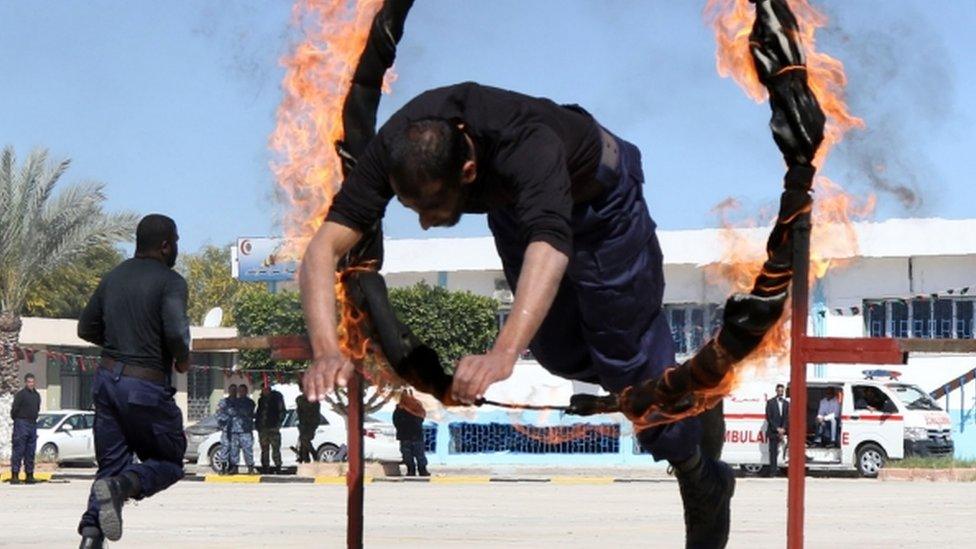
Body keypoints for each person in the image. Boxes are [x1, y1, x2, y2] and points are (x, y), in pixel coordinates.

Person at [298, 82, 733, 546]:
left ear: (467, 171)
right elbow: (322, 250)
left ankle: (698, 474)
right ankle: (676, 381)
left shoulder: (527, 144)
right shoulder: (395, 148)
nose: (423, 222)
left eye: (431, 206)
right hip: (513, 207)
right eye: (411, 207)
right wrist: (326, 350)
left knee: (624, 357)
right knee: (557, 352)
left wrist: (502, 353)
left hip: (600, 202)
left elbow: (550, 246)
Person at [76, 214, 190, 548]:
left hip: (107, 382)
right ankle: (122, 487)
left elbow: (85, 327)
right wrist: (181, 357)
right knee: (170, 461)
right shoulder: (171, 281)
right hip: (144, 387)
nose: (177, 248)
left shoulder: (113, 276)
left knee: (110, 466)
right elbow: (176, 332)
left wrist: (118, 346)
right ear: (165, 245)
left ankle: (91, 537)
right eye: (176, 242)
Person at [10, 373, 41, 485]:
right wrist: (18, 420)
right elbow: (14, 410)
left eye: (32, 382)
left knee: (30, 451)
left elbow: (37, 408)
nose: (31, 384)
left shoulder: (37, 395)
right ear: (25, 382)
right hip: (21, 423)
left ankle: (29, 475)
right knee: (19, 450)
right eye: (29, 382)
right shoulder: (21, 395)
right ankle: (15, 475)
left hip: (32, 424)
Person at [392, 390, 429, 477]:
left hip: (416, 436)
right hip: (405, 437)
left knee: (420, 455)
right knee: (407, 456)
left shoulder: (417, 406)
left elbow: (421, 417)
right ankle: (411, 470)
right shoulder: (399, 409)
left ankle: (422, 470)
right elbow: (396, 421)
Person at [255, 383, 286, 473]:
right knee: (264, 449)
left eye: (266, 389)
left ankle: (278, 466)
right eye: (263, 389)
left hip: (273, 427)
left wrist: (278, 424)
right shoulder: (261, 400)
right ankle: (265, 466)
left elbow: (282, 411)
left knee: (275, 448)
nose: (264, 391)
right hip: (263, 428)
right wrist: (258, 425)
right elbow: (259, 413)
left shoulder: (276, 398)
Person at [228, 384, 256, 474]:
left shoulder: (250, 402)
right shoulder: (234, 401)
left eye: (242, 391)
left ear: (246, 391)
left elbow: (247, 412)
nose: (240, 392)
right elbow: (230, 411)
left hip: (245, 430)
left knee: (247, 450)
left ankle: (250, 467)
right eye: (239, 391)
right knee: (234, 450)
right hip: (235, 430)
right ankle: (234, 467)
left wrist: (237, 411)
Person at [763, 384, 789, 478]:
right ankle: (773, 472)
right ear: (776, 391)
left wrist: (783, 428)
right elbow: (769, 417)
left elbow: (787, 417)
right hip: (773, 431)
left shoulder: (786, 403)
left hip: (783, 431)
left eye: (782, 391)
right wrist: (777, 428)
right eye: (779, 390)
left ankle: (781, 469)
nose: (780, 392)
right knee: (773, 452)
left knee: (783, 452)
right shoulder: (770, 402)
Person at [215, 384, 238, 475]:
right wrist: (222, 423)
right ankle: (223, 467)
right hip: (226, 429)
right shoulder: (223, 402)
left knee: (234, 448)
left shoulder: (240, 402)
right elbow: (218, 414)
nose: (233, 392)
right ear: (229, 391)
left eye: (235, 390)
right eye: (231, 390)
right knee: (225, 447)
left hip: (236, 430)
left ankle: (233, 467)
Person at [295, 379, 321, 463]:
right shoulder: (299, 399)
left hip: (311, 423)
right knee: (303, 441)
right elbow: (299, 412)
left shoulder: (313, 398)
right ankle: (305, 458)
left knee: (304, 439)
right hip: (303, 423)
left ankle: (313, 454)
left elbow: (314, 411)